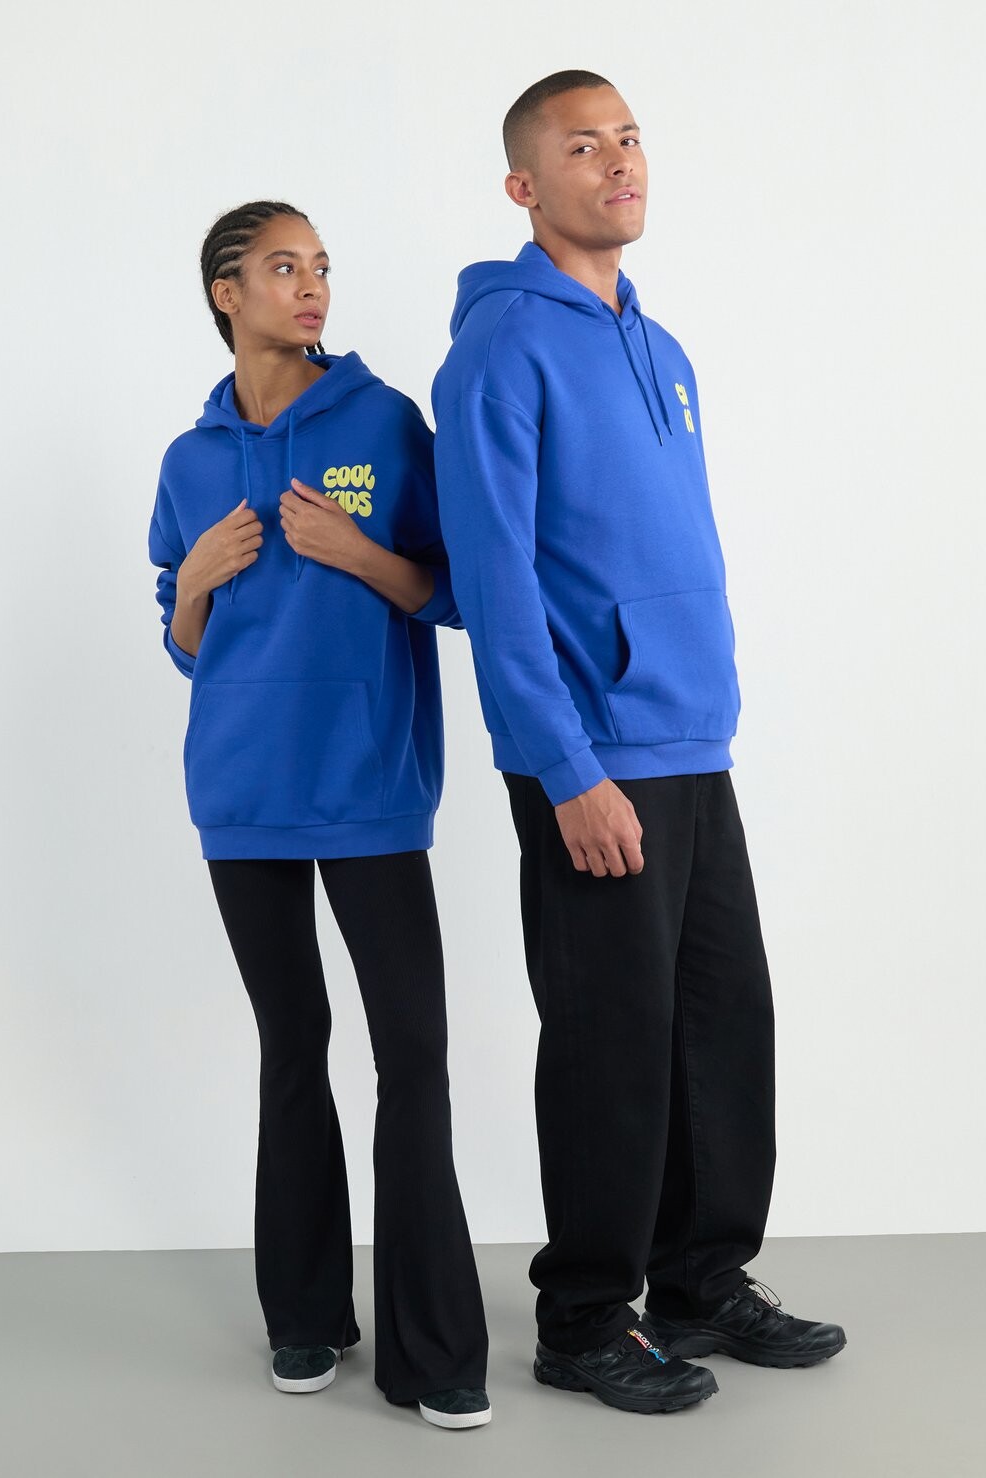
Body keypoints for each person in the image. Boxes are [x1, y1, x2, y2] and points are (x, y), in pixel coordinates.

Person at [431, 73, 845, 1416]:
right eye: (581, 145)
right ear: (523, 186)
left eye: (628, 138)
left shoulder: (662, 350)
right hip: (593, 749)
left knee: (721, 1020)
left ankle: (701, 1279)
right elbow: (494, 578)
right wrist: (566, 769)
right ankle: (583, 1316)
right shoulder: (501, 349)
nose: (618, 162)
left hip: (689, 737)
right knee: (611, 1037)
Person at [148, 200, 490, 1429]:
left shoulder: (383, 422)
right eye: (283, 267)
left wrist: (356, 553)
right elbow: (187, 645)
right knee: (291, 1045)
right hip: (241, 794)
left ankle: (434, 1350)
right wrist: (192, 585)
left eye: (322, 266)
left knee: (413, 1056)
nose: (312, 286)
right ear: (225, 293)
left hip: (368, 789)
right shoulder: (189, 459)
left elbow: (454, 591)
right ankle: (302, 1314)